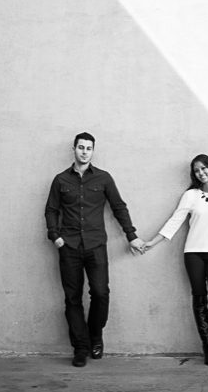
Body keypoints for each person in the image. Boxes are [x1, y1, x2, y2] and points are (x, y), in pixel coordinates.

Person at [44, 132, 144, 367]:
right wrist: (55, 236)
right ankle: (80, 347)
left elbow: (119, 207)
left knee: (100, 293)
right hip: (68, 246)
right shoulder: (60, 180)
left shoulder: (104, 178)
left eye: (89, 148)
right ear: (74, 149)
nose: (84, 151)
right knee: (72, 299)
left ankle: (95, 336)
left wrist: (131, 236)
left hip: (96, 245)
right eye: (81, 147)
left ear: (93, 151)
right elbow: (51, 210)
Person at [140, 154, 208, 366]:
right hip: (193, 253)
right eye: (197, 171)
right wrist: (152, 242)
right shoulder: (191, 195)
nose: (201, 173)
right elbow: (175, 221)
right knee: (199, 298)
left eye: (204, 168)